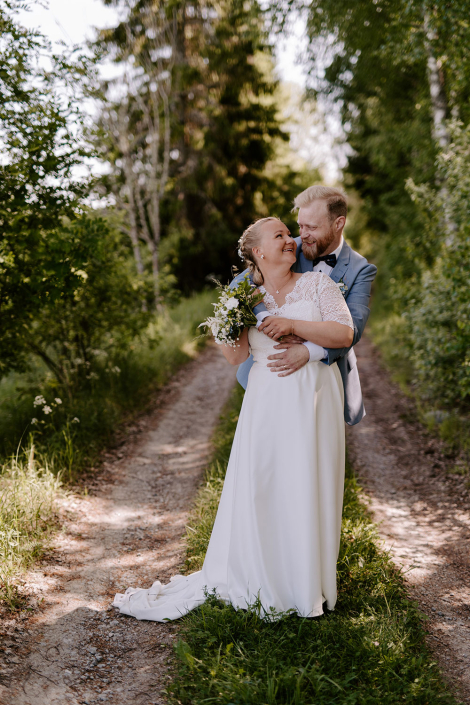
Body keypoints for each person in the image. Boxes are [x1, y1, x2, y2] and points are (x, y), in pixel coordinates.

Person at [113, 214, 355, 621]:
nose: (289, 240)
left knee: (309, 481)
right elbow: (236, 357)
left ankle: (306, 583)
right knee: (263, 483)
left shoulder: (318, 284)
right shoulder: (242, 297)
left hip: (315, 399)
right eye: (278, 235)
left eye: (287, 233)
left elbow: (344, 334)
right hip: (265, 402)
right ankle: (260, 576)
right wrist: (230, 321)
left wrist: (294, 325)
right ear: (258, 252)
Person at [233, 185, 377, 425]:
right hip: (269, 376)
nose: (302, 234)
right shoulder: (287, 247)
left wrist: (309, 351)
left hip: (324, 380)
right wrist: (266, 319)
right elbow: (237, 288)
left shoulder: (360, 269)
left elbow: (354, 328)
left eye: (311, 227)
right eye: (301, 225)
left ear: (338, 223)